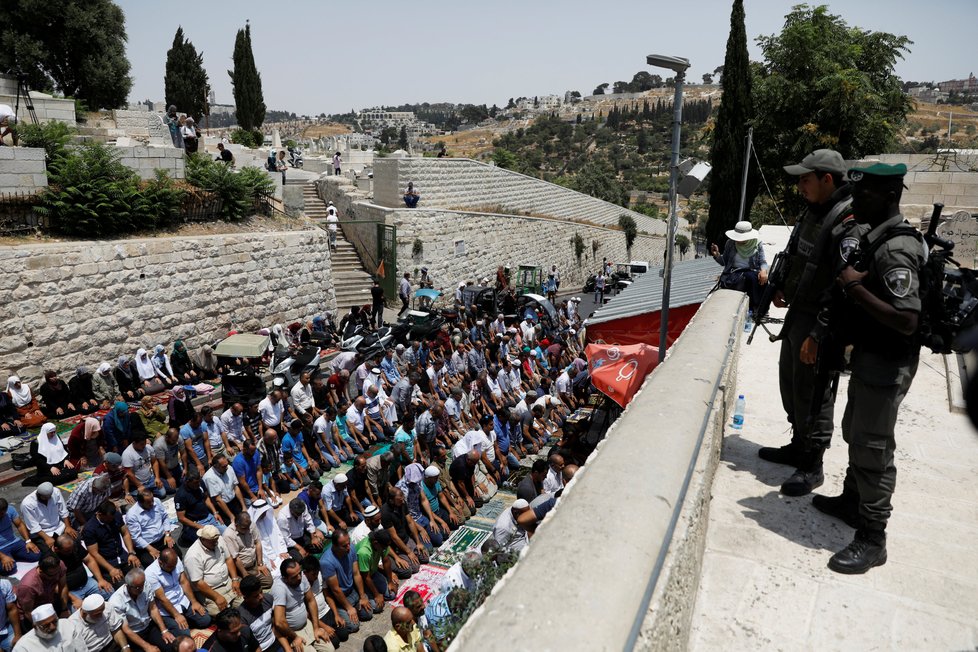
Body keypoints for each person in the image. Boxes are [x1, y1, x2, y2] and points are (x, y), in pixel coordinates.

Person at [813, 162, 925, 574]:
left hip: (887, 361)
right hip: (869, 357)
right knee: (854, 431)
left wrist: (854, 286)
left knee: (873, 447)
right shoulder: (877, 238)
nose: (856, 201)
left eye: (866, 195)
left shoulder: (896, 249)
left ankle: (873, 537)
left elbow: (907, 319)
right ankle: (851, 501)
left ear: (890, 196)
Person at [758, 149, 856, 497]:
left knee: (814, 393)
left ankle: (812, 464)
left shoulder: (847, 221)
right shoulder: (815, 211)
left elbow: (843, 284)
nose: (799, 185)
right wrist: (782, 286)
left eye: (805, 179)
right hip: (799, 313)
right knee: (792, 383)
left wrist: (818, 333)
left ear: (827, 179)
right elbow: (800, 256)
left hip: (820, 322)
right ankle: (798, 445)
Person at [145, 547, 212, 638]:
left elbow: (184, 582)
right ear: (161, 563)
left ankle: (186, 619)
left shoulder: (175, 562)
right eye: (170, 567)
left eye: (174, 566)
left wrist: (194, 602)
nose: (173, 569)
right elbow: (162, 598)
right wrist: (176, 615)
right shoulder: (150, 574)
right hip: (168, 610)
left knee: (206, 620)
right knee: (185, 635)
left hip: (182, 600)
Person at [319, 531, 374, 633]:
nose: (348, 547)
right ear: (335, 546)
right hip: (340, 598)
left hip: (352, 591)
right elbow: (336, 590)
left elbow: (356, 573)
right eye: (344, 546)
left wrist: (362, 596)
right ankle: (347, 611)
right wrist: (348, 607)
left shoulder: (351, 549)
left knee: (370, 612)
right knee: (354, 626)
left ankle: (355, 609)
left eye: (348, 543)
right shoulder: (327, 562)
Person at [271, 559, 332, 652]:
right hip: (292, 632)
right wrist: (294, 637)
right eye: (294, 577)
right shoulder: (279, 589)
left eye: (299, 573)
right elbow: (279, 622)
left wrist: (316, 628)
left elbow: (311, 600)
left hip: (307, 624)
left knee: (330, 649)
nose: (299, 577)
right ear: (285, 578)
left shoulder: (301, 578)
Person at [107, 569, 173, 652]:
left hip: (149, 626)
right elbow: (126, 629)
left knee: (170, 646)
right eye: (137, 587)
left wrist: (164, 630)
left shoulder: (145, 585)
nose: (141, 589)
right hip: (134, 634)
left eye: (142, 585)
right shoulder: (116, 601)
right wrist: (147, 646)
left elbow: (153, 609)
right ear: (128, 585)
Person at [710, 220, 769, 310]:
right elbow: (724, 262)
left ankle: (757, 309)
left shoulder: (757, 244)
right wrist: (717, 255)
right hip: (734, 273)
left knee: (758, 281)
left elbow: (763, 261)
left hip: (751, 273)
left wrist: (763, 271)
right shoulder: (730, 243)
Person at [185, 525, 243, 616]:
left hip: (228, 583)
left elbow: (228, 559)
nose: (216, 543)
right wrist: (216, 597)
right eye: (212, 542)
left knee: (244, 602)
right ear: (202, 539)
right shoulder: (193, 555)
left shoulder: (218, 540)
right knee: (223, 616)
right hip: (210, 591)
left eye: (216, 541)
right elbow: (198, 583)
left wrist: (235, 579)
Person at [82, 500, 141, 586]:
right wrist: (111, 569)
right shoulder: (90, 529)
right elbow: (94, 553)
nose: (112, 519)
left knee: (139, 576)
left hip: (123, 556)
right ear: (100, 514)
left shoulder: (116, 516)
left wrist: (131, 553)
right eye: (109, 518)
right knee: (123, 586)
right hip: (107, 562)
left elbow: (125, 533)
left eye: (113, 517)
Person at [53, 534, 113, 604]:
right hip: (70, 592)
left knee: (110, 591)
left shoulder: (74, 546)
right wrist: (73, 599)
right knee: (77, 611)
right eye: (67, 551)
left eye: (72, 549)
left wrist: (100, 579)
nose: (71, 552)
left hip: (86, 582)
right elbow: (53, 585)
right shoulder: (51, 559)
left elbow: (89, 560)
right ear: (57, 549)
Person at [124, 489, 176, 567]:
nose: (152, 503)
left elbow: (165, 517)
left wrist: (167, 534)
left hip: (163, 538)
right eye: (148, 502)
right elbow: (136, 537)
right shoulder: (132, 515)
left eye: (152, 500)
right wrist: (151, 549)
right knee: (155, 564)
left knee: (176, 554)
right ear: (140, 502)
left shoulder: (157, 501)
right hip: (147, 545)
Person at [222, 512, 273, 591]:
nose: (247, 530)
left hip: (254, 563)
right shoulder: (228, 535)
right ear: (236, 525)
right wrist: (245, 574)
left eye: (248, 527)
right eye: (244, 528)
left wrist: (260, 563)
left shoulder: (250, 525)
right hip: (242, 568)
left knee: (269, 582)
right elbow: (236, 557)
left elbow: (258, 543)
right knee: (249, 586)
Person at [21, 483, 74, 555]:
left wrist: (68, 526)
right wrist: (47, 538)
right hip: (42, 533)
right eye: (45, 498)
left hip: (59, 527)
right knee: (50, 553)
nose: (48, 499)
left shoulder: (56, 492)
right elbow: (33, 526)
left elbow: (63, 511)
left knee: (74, 542)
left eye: (49, 497)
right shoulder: (27, 504)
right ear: (39, 494)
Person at [12, 604, 85, 652]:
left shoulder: (68, 625)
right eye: (46, 625)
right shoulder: (23, 646)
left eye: (55, 622)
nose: (53, 627)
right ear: (35, 627)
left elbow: (82, 649)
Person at [237, 575, 283, 652]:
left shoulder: (268, 598)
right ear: (246, 598)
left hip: (276, 641)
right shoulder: (241, 616)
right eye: (256, 596)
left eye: (261, 591)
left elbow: (276, 620)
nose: (261, 596)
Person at [248, 501, 290, 575]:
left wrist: (282, 550)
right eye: (262, 512)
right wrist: (265, 560)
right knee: (275, 573)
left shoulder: (269, 517)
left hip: (277, 552)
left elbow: (278, 533)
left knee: (289, 565)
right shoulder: (250, 526)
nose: (265, 514)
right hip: (265, 556)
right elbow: (254, 545)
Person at [204, 453, 247, 524]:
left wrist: (243, 506)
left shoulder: (229, 468)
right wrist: (231, 516)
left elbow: (235, 487)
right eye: (224, 466)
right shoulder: (209, 478)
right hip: (223, 507)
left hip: (234, 502)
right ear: (215, 466)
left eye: (227, 464)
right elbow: (218, 500)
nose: (227, 468)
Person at [122, 433, 166, 499]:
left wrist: (157, 477)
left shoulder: (148, 447)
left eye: (145, 443)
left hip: (150, 479)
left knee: (163, 494)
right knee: (142, 501)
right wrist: (139, 485)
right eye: (141, 444)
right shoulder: (127, 454)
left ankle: (150, 491)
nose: (144, 445)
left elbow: (154, 462)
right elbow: (129, 473)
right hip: (138, 483)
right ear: (134, 443)